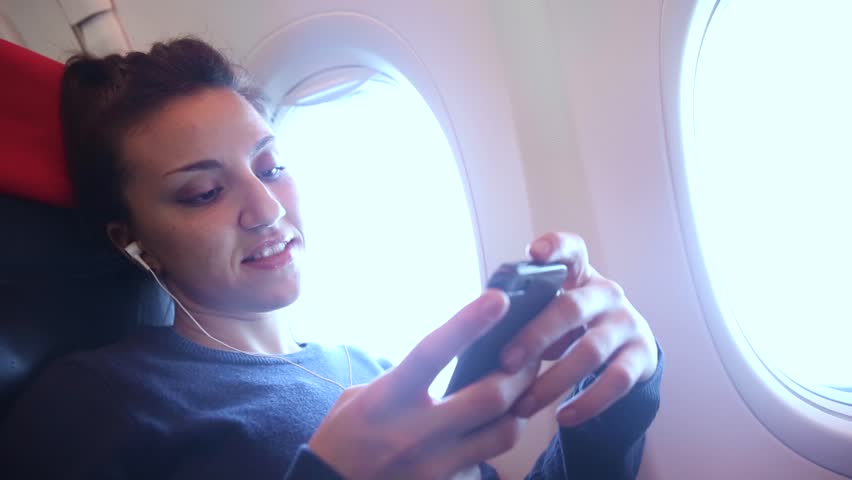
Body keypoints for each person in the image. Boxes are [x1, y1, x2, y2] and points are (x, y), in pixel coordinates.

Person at [0, 38, 662, 479]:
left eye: (272, 165)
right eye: (204, 191)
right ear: (129, 237)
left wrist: (610, 399)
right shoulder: (93, 404)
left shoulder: (375, 371)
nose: (266, 208)